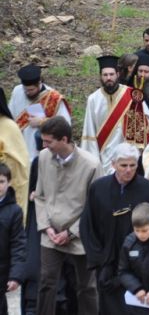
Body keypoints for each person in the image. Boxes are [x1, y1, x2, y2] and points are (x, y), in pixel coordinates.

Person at [79, 143, 149, 313]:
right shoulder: (98, 188)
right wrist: (98, 258)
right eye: (123, 165)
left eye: (133, 165)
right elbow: (87, 226)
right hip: (107, 262)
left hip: (139, 264)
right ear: (113, 164)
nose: (128, 170)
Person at [36, 116, 103, 315]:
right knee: (47, 282)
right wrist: (46, 227)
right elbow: (39, 196)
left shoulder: (91, 165)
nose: (44, 145)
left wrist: (71, 232)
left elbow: (94, 208)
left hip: (79, 234)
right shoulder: (43, 157)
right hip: (50, 232)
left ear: (64, 139)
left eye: (49, 141)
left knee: (87, 287)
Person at [81, 55, 149, 174]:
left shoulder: (132, 95)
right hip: (101, 157)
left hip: (126, 157)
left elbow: (147, 123)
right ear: (100, 76)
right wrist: (93, 160)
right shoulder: (93, 99)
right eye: (105, 75)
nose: (109, 78)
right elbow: (89, 131)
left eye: (111, 74)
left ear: (118, 75)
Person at [9, 64, 71, 160]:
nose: (27, 92)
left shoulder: (54, 98)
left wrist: (43, 122)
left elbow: (66, 126)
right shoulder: (17, 91)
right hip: (19, 149)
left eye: (31, 90)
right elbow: (10, 118)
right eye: (25, 89)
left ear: (39, 83)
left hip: (42, 151)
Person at [0, 161, 25, 315]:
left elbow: (18, 244)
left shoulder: (14, 211)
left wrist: (15, 275)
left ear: (9, 183)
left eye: (1, 181)